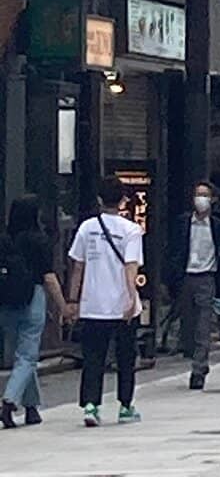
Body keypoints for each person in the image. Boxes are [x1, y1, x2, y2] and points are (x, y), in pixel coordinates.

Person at [67, 176, 144, 427]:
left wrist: (72, 300)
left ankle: (91, 405)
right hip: (122, 306)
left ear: (99, 199)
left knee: (93, 357)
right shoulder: (131, 230)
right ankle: (125, 405)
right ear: (123, 200)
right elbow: (131, 267)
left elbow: (77, 266)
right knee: (125, 357)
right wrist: (131, 299)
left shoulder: (87, 228)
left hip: (93, 305)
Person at [0, 195, 72, 428]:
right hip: (33, 297)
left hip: (7, 301)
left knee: (21, 355)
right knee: (28, 356)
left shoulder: (5, 239)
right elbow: (49, 278)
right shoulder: (39, 240)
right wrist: (63, 306)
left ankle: (32, 408)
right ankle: (9, 401)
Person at [169, 181, 220, 390]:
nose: (201, 199)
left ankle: (199, 369)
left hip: (206, 278)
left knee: (203, 325)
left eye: (205, 195)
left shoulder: (218, 227)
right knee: (187, 325)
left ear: (213, 200)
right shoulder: (182, 224)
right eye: (198, 195)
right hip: (186, 276)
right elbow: (172, 251)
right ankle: (193, 356)